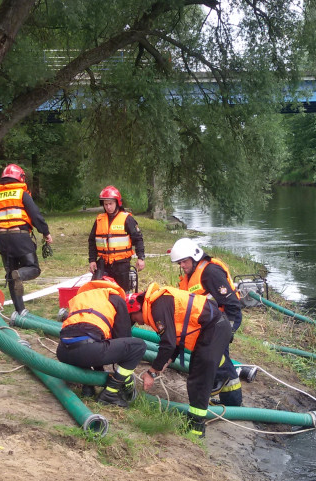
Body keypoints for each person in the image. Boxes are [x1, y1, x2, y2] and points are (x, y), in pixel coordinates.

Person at [125, 282, 236, 437]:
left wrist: (152, 372)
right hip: (213, 327)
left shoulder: (157, 308)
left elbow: (168, 343)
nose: (137, 322)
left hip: (214, 328)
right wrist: (166, 362)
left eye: (134, 318)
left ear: (136, 309)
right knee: (196, 376)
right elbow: (177, 338)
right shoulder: (159, 301)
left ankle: (196, 429)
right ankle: (194, 422)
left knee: (199, 380)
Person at [169, 237, 243, 406]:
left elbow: (232, 305)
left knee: (217, 362)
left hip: (221, 324)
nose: (182, 266)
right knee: (220, 363)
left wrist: (228, 331)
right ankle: (231, 405)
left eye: (184, 261)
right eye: (180, 263)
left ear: (194, 257)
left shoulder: (210, 273)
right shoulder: (191, 275)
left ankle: (233, 406)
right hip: (209, 325)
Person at [56, 278, 146, 407]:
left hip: (63, 352)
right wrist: (125, 378)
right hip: (87, 351)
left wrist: (99, 369)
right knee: (137, 346)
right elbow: (123, 338)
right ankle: (110, 394)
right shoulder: (115, 299)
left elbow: (84, 334)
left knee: (88, 341)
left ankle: (88, 387)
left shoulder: (82, 297)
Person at [0, 164, 53, 314]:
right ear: (20, 178)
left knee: (11, 275)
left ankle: (20, 311)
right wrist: (45, 232)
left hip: (3, 239)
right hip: (20, 237)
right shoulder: (21, 194)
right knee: (33, 268)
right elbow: (35, 215)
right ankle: (20, 275)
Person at [88, 186, 145, 293]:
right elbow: (92, 241)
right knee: (101, 292)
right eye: (106, 204)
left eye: (110, 203)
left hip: (121, 265)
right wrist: (92, 260)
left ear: (117, 203)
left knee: (122, 293)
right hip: (103, 264)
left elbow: (138, 239)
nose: (108, 207)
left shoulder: (127, 219)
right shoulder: (99, 220)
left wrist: (140, 258)